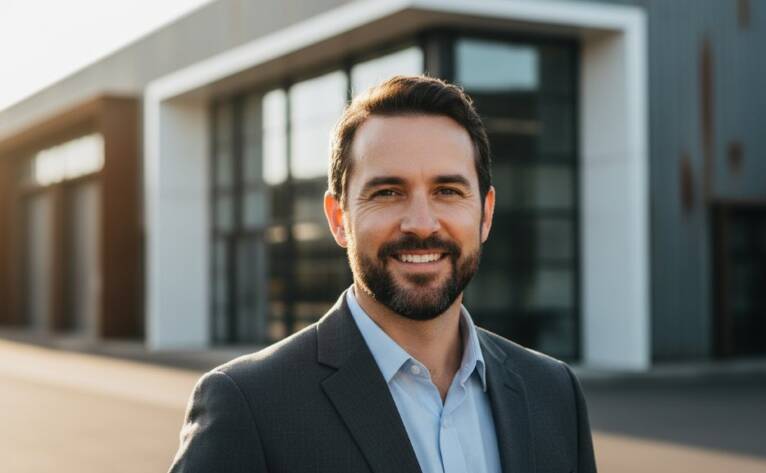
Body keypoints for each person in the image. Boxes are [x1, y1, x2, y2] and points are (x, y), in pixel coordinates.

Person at [169, 75, 596, 473]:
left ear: (485, 214)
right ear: (339, 218)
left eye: (447, 191)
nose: (422, 224)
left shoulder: (553, 391)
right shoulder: (249, 405)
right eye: (388, 192)